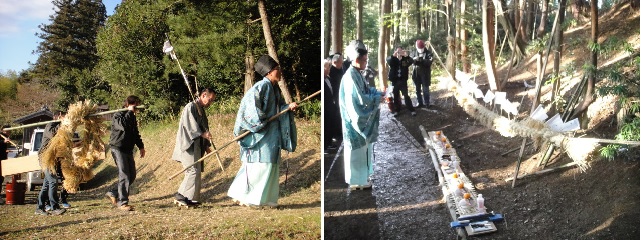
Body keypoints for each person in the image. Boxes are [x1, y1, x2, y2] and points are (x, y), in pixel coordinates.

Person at [227, 55, 297, 208]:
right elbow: (250, 108)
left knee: (270, 165)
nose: (279, 72)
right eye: (277, 69)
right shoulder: (261, 86)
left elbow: (280, 108)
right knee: (260, 165)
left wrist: (288, 107)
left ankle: (265, 199)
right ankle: (247, 197)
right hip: (261, 134)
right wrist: (262, 120)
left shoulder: (275, 88)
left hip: (271, 134)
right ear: (269, 72)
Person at [338, 40, 382, 189]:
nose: (366, 62)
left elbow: (366, 91)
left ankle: (362, 179)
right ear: (356, 60)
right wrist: (376, 98)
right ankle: (357, 181)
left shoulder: (357, 73)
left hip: (356, 119)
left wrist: (377, 94)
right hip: (353, 121)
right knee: (356, 153)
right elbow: (359, 99)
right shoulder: (350, 77)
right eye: (364, 60)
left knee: (362, 152)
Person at [172, 88, 215, 206]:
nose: (210, 103)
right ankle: (180, 195)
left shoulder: (201, 110)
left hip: (197, 146)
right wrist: (203, 134)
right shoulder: (190, 107)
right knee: (192, 171)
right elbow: (190, 126)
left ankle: (191, 198)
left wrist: (206, 145)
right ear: (203, 95)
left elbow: (204, 128)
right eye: (209, 100)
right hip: (187, 145)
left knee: (196, 171)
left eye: (212, 101)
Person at [105, 96, 145, 211]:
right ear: (129, 104)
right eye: (135, 105)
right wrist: (128, 112)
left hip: (128, 149)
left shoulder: (131, 116)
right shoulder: (118, 115)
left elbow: (135, 132)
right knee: (124, 174)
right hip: (118, 148)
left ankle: (112, 192)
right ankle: (122, 202)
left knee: (131, 175)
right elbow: (124, 127)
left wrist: (141, 146)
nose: (136, 108)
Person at [35, 111, 67, 215]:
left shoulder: (60, 126)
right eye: (63, 117)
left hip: (53, 158)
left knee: (47, 184)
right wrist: (63, 124)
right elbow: (53, 133)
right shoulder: (50, 125)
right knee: (53, 181)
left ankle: (39, 208)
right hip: (45, 157)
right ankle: (54, 207)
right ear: (58, 116)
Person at [386, 46, 417, 116]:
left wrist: (406, 55)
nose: (399, 53)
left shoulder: (405, 60)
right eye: (398, 51)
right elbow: (388, 61)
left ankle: (411, 110)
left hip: (403, 81)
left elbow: (412, 61)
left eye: (400, 51)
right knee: (396, 96)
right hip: (395, 81)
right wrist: (394, 55)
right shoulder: (393, 60)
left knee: (406, 96)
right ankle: (397, 110)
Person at [412, 39, 434, 108]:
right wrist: (414, 60)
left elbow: (429, 62)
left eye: (422, 48)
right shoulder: (413, 53)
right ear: (416, 47)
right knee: (417, 90)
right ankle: (419, 102)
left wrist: (422, 60)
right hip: (416, 75)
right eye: (419, 48)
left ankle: (427, 102)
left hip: (425, 75)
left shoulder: (428, 53)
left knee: (425, 90)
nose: (421, 50)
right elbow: (410, 61)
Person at [329, 53, 344, 146]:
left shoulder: (340, 70)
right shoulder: (331, 71)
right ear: (335, 62)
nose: (342, 65)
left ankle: (340, 132)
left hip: (341, 95)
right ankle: (336, 134)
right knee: (336, 116)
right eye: (340, 63)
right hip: (335, 97)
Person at [323, 57, 336, 151]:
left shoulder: (328, 79)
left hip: (331, 107)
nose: (329, 69)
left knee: (330, 126)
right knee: (325, 126)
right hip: (325, 108)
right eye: (327, 67)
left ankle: (328, 143)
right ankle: (325, 146)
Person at [0, 126, 11, 205]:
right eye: (8, 131)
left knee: (1, 179)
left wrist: (5, 151)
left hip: (3, 161)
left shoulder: (5, 137)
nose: (10, 133)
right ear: (3, 131)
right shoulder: (1, 137)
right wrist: (3, 142)